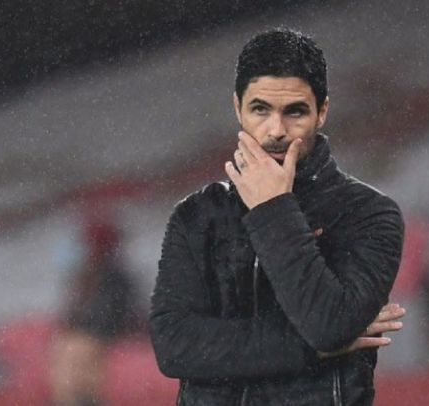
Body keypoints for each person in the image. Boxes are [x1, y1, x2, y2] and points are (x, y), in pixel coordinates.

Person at [149, 28, 405, 405]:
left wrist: (273, 207)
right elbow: (174, 347)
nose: (276, 130)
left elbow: (328, 327)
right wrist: (309, 347)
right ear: (238, 108)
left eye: (294, 111)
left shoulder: (369, 214)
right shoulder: (197, 215)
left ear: (322, 112)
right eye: (260, 109)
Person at [49, 218, 139, 406]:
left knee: (75, 353)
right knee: (65, 351)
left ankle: (81, 399)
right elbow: (77, 310)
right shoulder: (89, 276)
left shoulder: (114, 276)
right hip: (90, 332)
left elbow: (109, 312)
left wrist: (85, 329)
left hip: (100, 334)